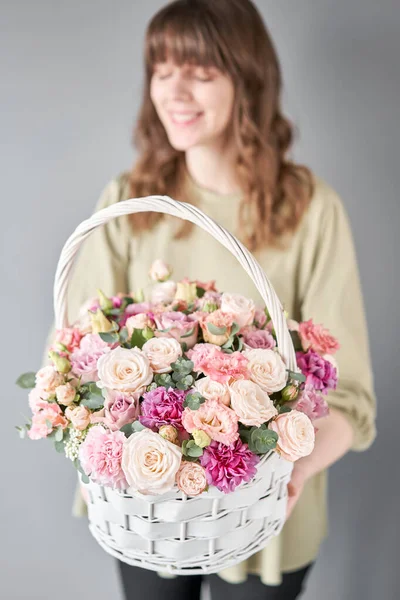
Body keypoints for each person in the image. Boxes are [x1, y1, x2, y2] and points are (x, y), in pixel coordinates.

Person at [42, 1, 377, 598]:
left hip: (270, 507)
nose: (175, 91)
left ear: (246, 80)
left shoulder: (310, 209)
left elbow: (351, 396)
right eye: (162, 69)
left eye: (200, 72)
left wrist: (286, 468)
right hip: (147, 510)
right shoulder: (131, 202)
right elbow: (70, 349)